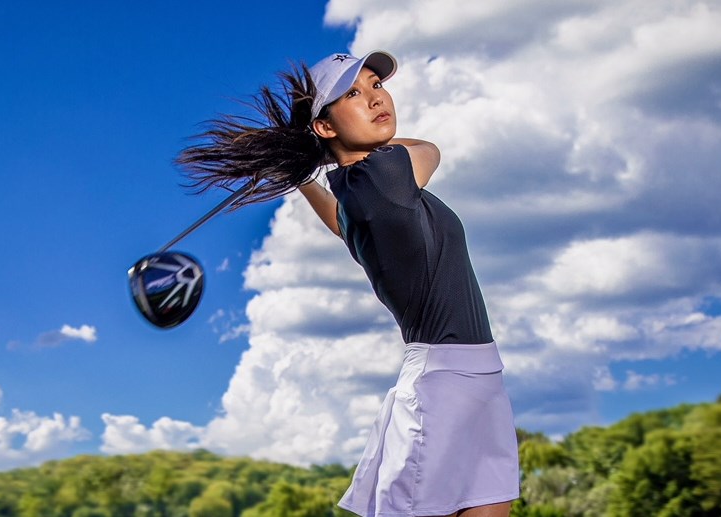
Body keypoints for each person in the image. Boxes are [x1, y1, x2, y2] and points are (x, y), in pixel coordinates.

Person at [176, 50, 519, 517]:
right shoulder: (383, 175)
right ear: (324, 125)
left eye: (377, 85)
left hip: (478, 382)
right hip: (444, 383)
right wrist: (316, 160)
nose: (377, 99)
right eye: (354, 94)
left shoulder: (360, 195)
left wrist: (304, 177)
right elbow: (430, 149)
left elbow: (340, 223)